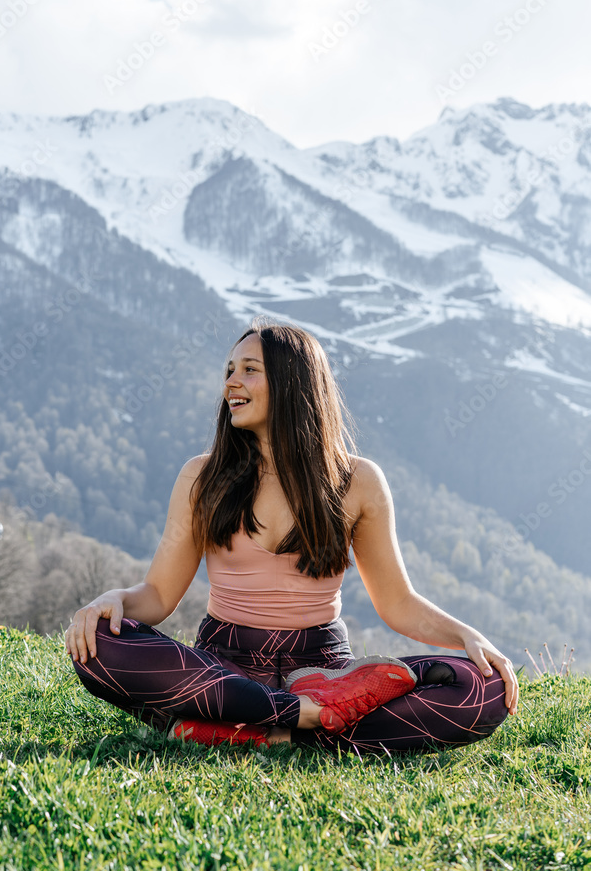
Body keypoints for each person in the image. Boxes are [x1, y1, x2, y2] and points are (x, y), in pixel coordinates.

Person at [65, 319, 518, 755]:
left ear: (292, 382)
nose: (230, 383)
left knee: (484, 690)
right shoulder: (201, 477)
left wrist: (468, 637)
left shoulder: (357, 480)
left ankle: (247, 727)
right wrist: (116, 601)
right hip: (225, 663)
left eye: (249, 370)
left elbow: (397, 602)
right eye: (228, 371)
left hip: (324, 668)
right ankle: (304, 720)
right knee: (99, 643)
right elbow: (160, 594)